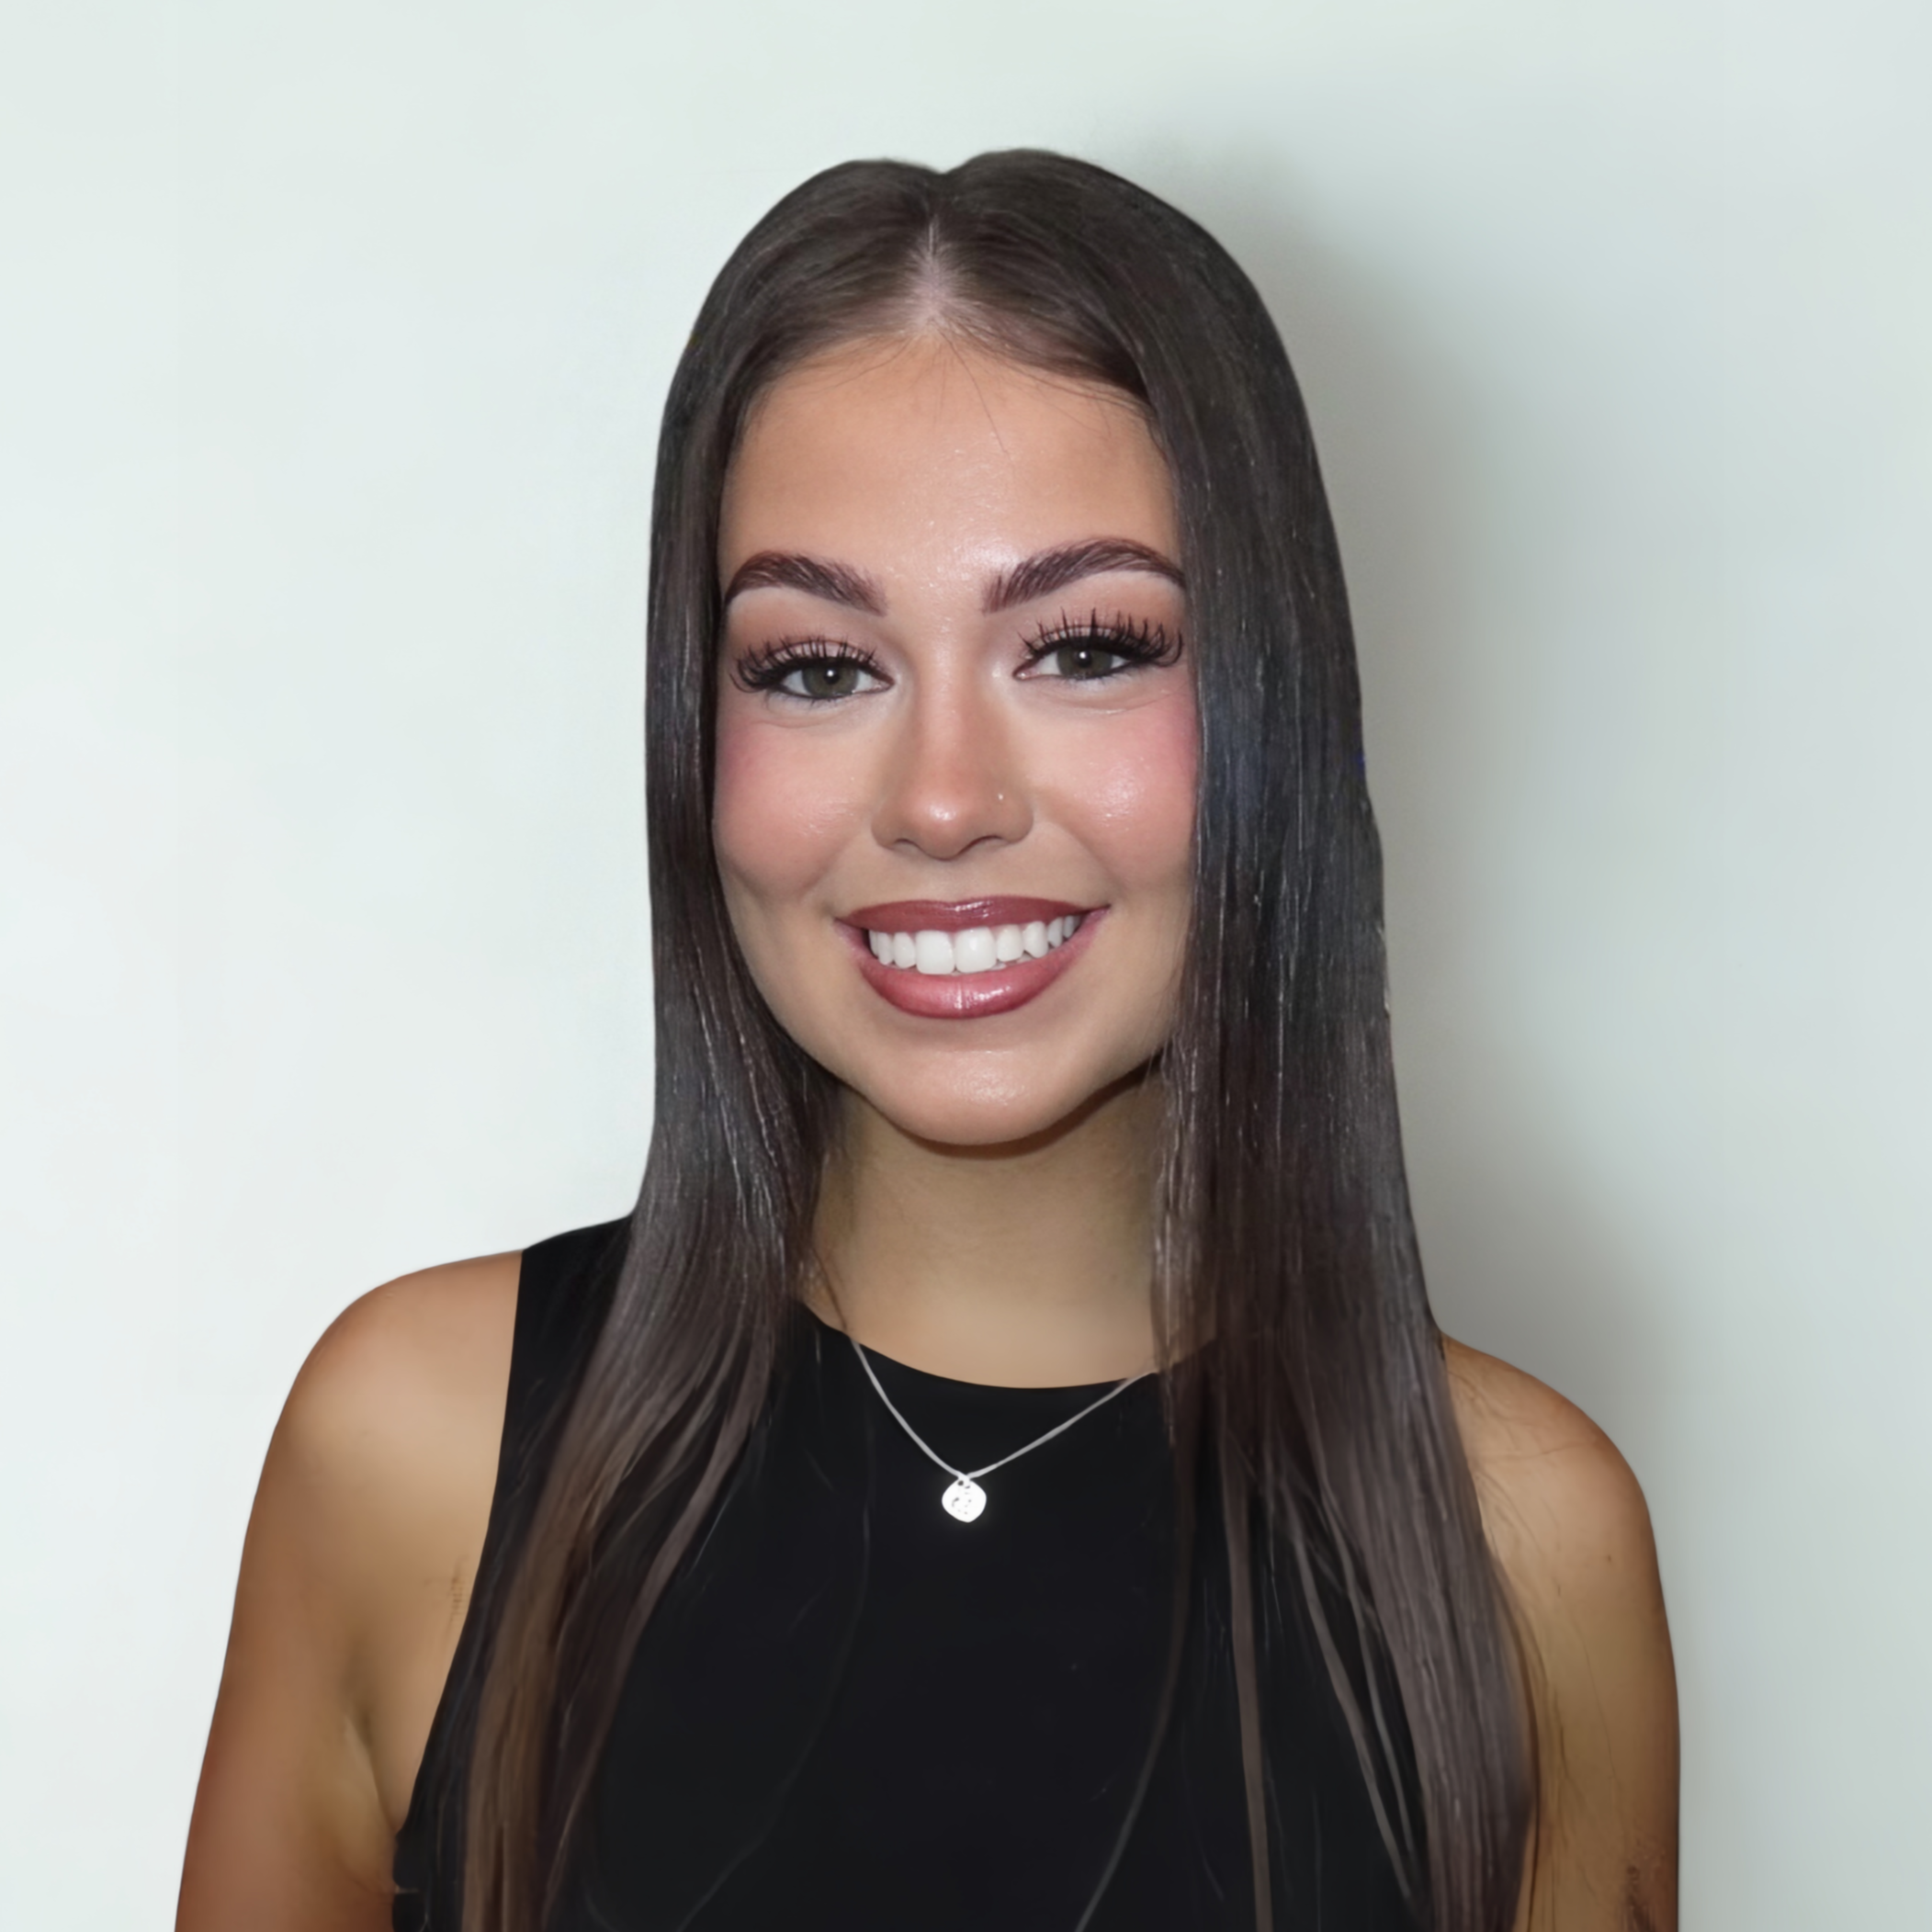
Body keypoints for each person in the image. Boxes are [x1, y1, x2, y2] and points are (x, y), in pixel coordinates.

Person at [177, 152, 1677, 1932]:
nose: (945, 799)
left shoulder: (1519, 1543)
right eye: (817, 667)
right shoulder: (413, 1440)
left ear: (1271, 701)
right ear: (695, 735)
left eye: (1088, 647)